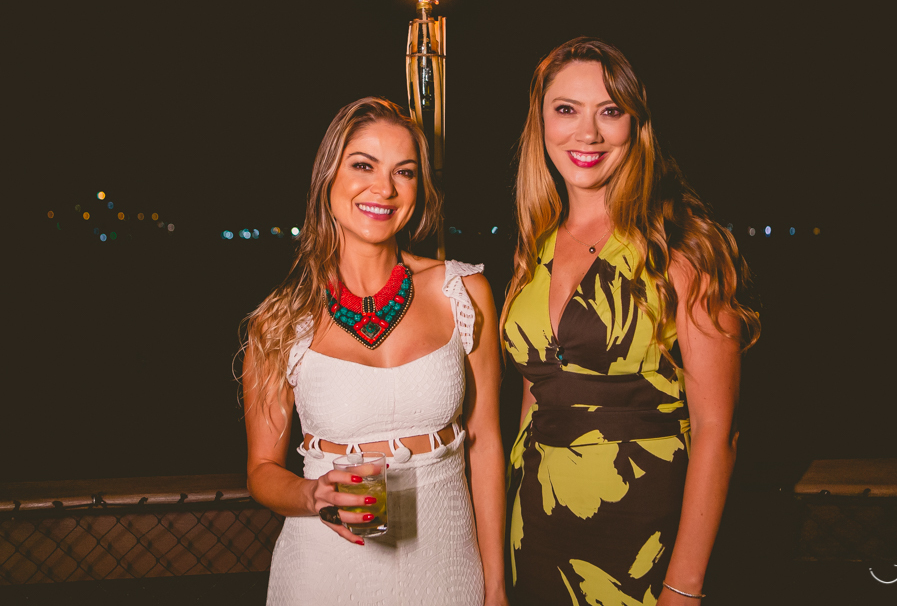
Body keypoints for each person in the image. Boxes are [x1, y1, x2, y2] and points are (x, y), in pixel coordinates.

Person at [502, 38, 760, 605]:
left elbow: (718, 431)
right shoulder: (535, 247)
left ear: (635, 125)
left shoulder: (685, 248)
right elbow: (535, 396)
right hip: (533, 530)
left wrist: (683, 588)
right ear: (541, 123)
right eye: (566, 109)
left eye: (609, 111)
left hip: (641, 534)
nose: (587, 133)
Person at [242, 97, 509, 606]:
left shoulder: (464, 292)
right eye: (363, 165)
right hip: (324, 573)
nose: (384, 188)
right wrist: (312, 494)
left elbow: (486, 443)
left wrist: (495, 586)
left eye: (403, 172)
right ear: (328, 178)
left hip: (448, 567)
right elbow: (261, 471)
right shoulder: (279, 321)